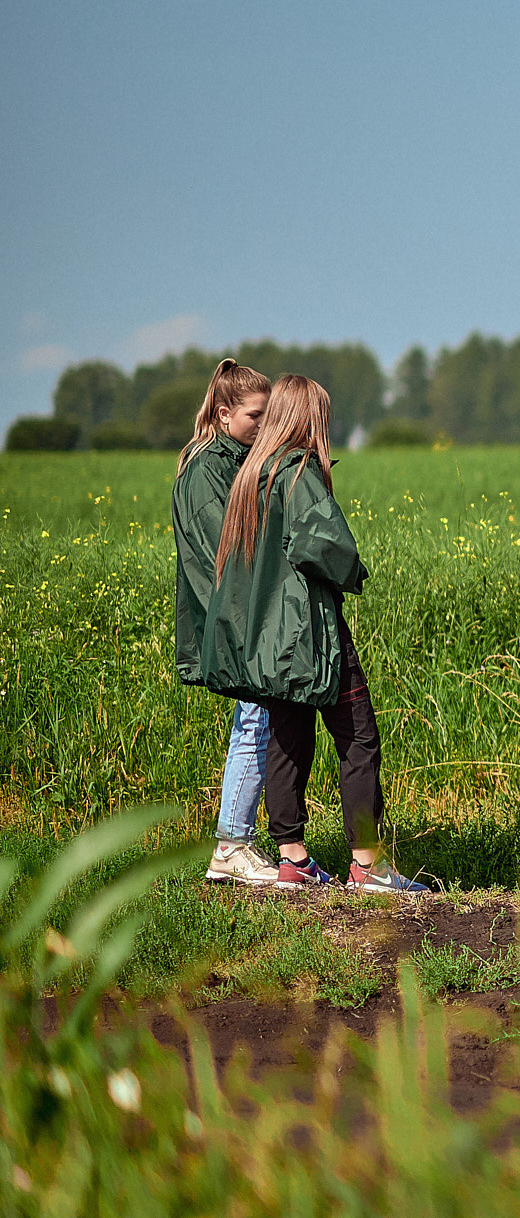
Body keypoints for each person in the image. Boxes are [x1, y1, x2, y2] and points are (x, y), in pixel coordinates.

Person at [202, 375, 427, 893]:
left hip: (266, 642)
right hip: (310, 633)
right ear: (309, 418)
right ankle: (368, 865)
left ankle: (292, 858)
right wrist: (355, 573)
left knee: (288, 740)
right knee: (358, 737)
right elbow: (326, 547)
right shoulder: (298, 471)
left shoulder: (248, 476)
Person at [173, 358, 278, 886]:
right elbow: (232, 547)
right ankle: (231, 844)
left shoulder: (230, 460)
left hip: (241, 611)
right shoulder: (210, 468)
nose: (266, 425)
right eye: (257, 416)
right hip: (234, 614)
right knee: (254, 720)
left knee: (257, 720)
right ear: (223, 414)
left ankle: (242, 840)